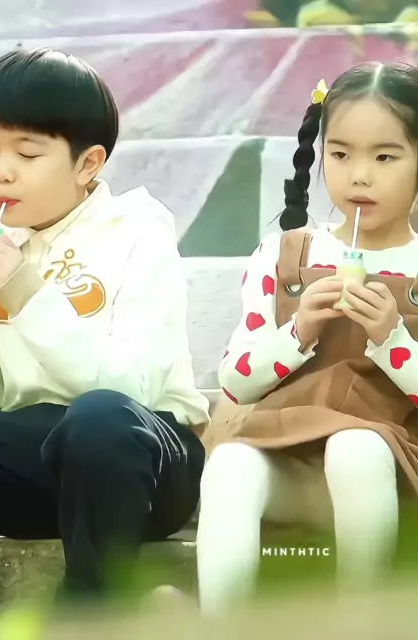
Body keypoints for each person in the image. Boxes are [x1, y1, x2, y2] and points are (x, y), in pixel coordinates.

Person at [0, 47, 209, 607]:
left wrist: (28, 294)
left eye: (26, 153)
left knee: (99, 418)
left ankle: (88, 614)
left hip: (142, 465)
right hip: (34, 461)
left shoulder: (138, 231)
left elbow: (131, 390)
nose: (1, 170)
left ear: (88, 164)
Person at [197, 61, 418, 615]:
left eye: (385, 157)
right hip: (289, 456)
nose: (359, 176)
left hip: (395, 469)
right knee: (229, 465)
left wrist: (391, 336)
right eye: (340, 154)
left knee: (355, 448)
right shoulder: (286, 255)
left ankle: (361, 619)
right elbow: (237, 383)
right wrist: (298, 332)